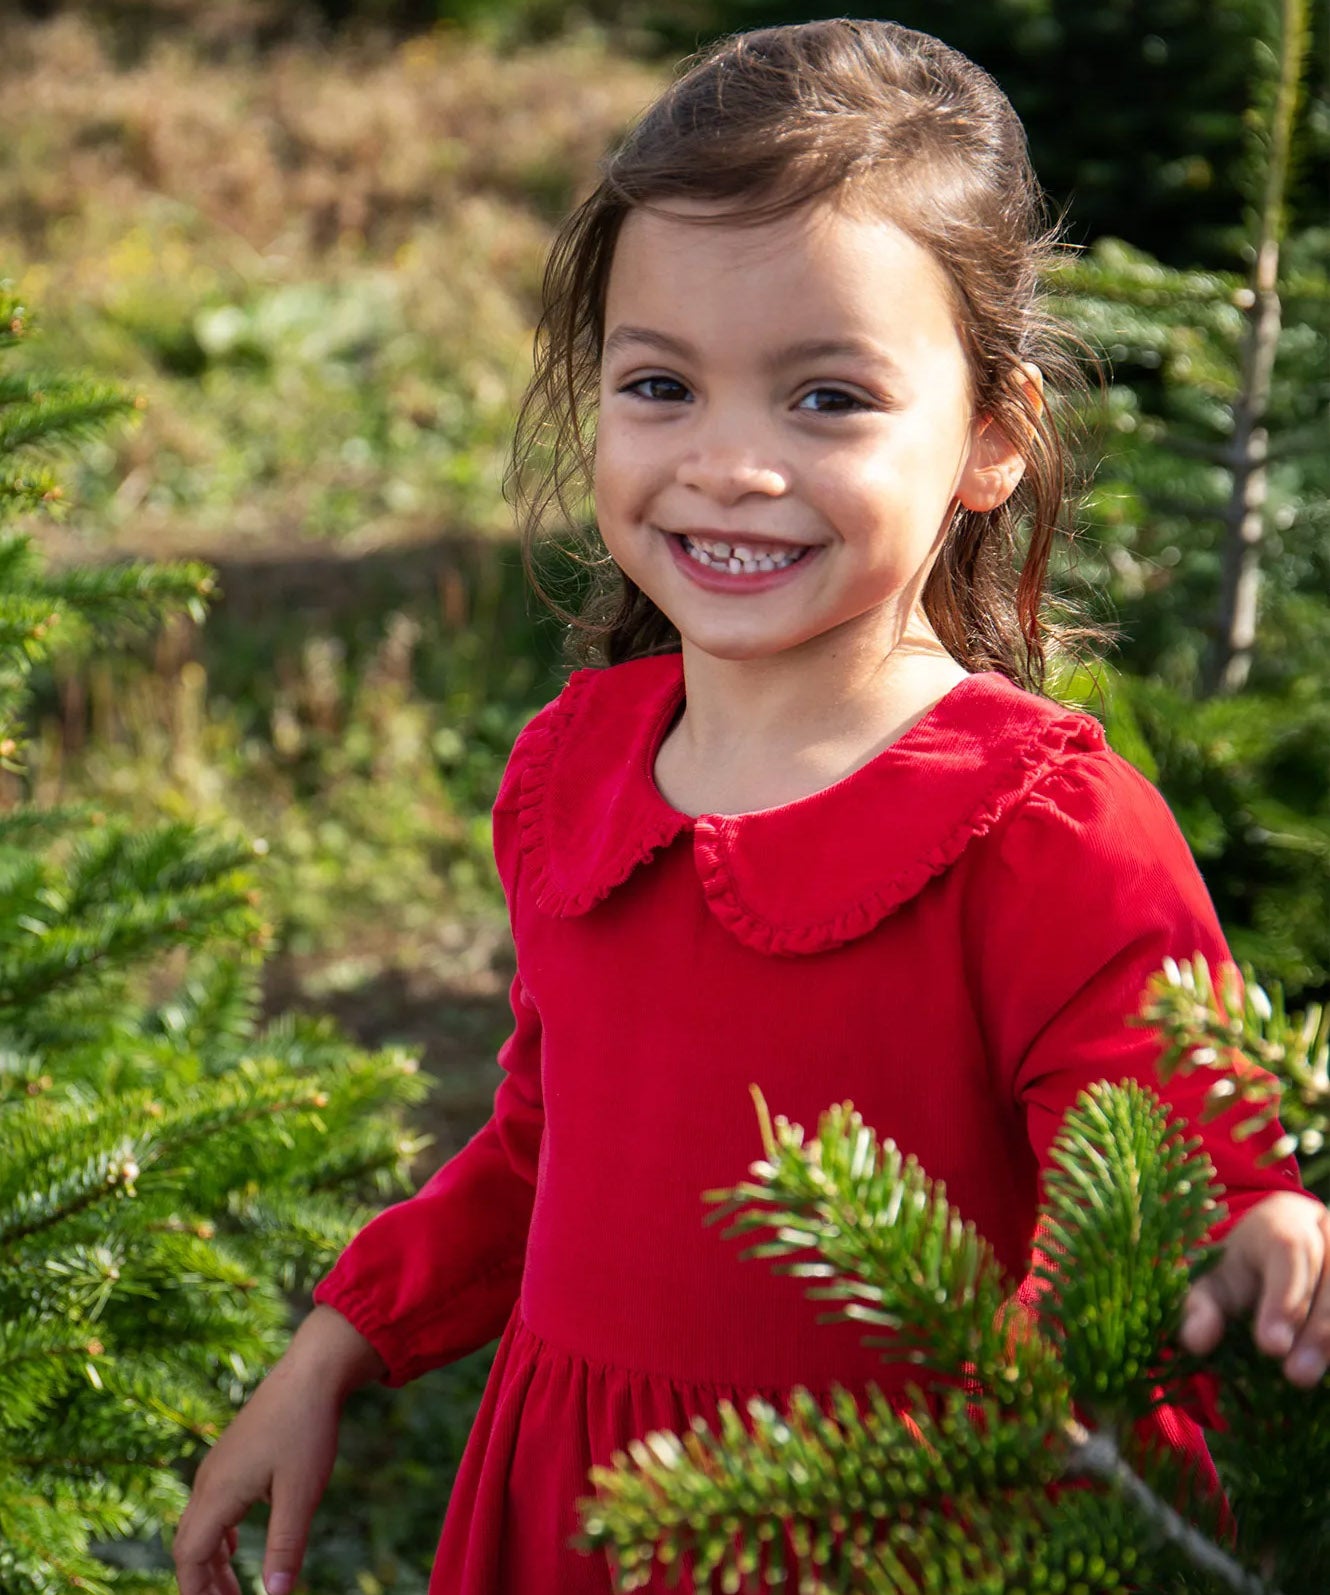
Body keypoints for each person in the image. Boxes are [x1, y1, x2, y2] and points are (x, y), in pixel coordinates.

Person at [171, 19, 1330, 1595]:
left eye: (827, 401)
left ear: (989, 440)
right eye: (660, 384)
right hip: (575, 1524)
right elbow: (541, 1146)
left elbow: (1170, 1182)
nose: (727, 463)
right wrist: (340, 1340)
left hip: (907, 1537)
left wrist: (1262, 1233)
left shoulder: (1041, 828)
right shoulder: (574, 773)